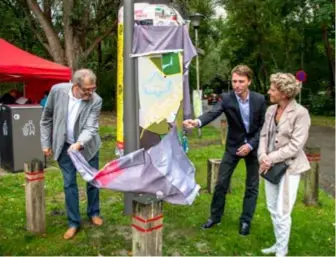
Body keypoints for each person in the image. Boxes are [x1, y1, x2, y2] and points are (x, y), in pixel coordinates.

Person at [183, 65, 266, 235]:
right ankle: (215, 217)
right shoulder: (227, 98)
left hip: (253, 146)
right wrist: (197, 122)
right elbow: (213, 113)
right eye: (234, 81)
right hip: (233, 146)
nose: (237, 85)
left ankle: (245, 221)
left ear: (249, 81)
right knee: (221, 183)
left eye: (241, 81)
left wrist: (250, 145)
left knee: (252, 186)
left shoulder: (259, 99)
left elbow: (263, 128)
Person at [40, 69, 103, 240]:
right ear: (75, 85)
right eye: (86, 89)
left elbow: (91, 127)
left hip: (87, 146)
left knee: (92, 180)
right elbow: (46, 118)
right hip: (64, 146)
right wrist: (45, 143)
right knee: (69, 184)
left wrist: (79, 143)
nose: (91, 93)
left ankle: (94, 212)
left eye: (93, 88)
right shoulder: (57, 91)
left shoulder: (96, 100)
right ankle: (74, 222)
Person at [258, 73, 311, 256]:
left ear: (284, 93)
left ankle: (282, 251)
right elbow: (264, 135)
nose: (269, 92)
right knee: (272, 208)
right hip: (269, 165)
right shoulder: (271, 110)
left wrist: (269, 158)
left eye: (273, 89)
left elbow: (296, 146)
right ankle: (279, 243)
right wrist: (262, 156)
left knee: (283, 211)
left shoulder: (301, 113)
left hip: (290, 167)